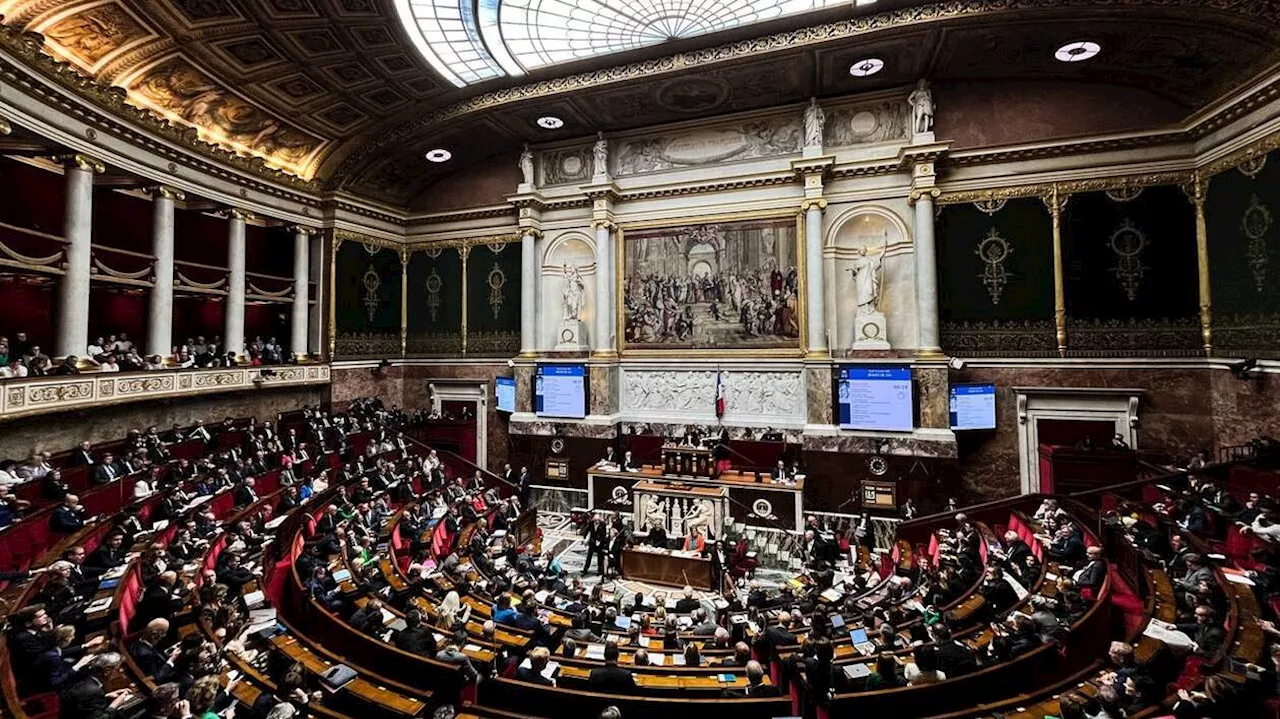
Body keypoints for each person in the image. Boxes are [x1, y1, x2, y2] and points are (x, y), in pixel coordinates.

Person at [58, 652, 134, 719]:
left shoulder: (87, 679)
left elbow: (83, 701)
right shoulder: (95, 691)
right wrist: (114, 705)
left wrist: (106, 696)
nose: (121, 671)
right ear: (107, 671)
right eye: (118, 668)